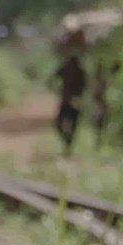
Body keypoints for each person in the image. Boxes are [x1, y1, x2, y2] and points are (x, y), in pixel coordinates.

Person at [53, 22, 90, 154]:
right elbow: (53, 79)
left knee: (71, 124)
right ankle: (67, 143)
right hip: (67, 98)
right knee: (60, 124)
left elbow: (85, 85)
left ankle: (68, 145)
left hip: (74, 100)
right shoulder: (67, 69)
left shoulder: (79, 71)